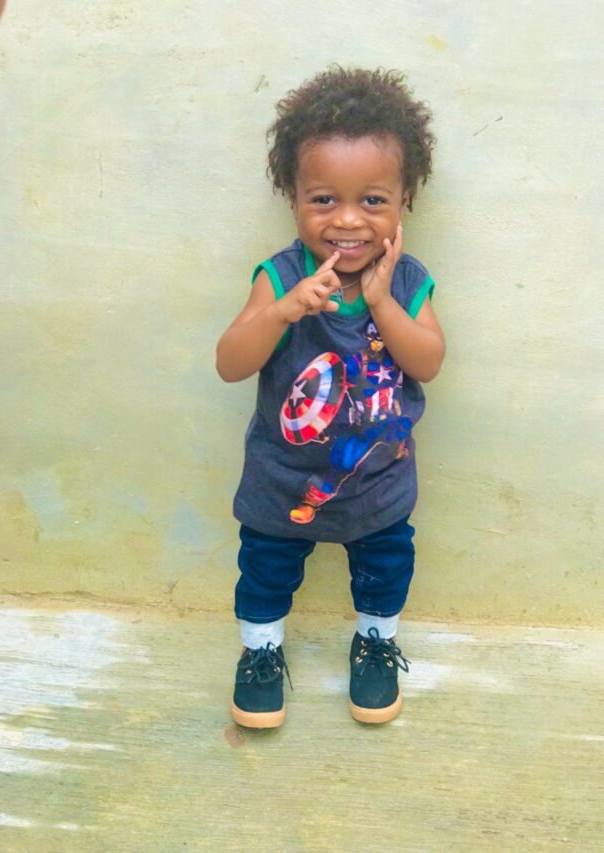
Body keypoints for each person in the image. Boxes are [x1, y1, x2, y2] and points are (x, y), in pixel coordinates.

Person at [216, 66, 445, 728]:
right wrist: (283, 310)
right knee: (265, 571)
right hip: (282, 481)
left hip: (377, 483)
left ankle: (374, 644)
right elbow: (230, 363)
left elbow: (428, 361)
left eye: (372, 200)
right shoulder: (281, 275)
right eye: (323, 199)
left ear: (405, 199)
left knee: (385, 567)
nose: (347, 220)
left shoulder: (408, 281)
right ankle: (261, 654)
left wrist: (382, 303)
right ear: (292, 196)